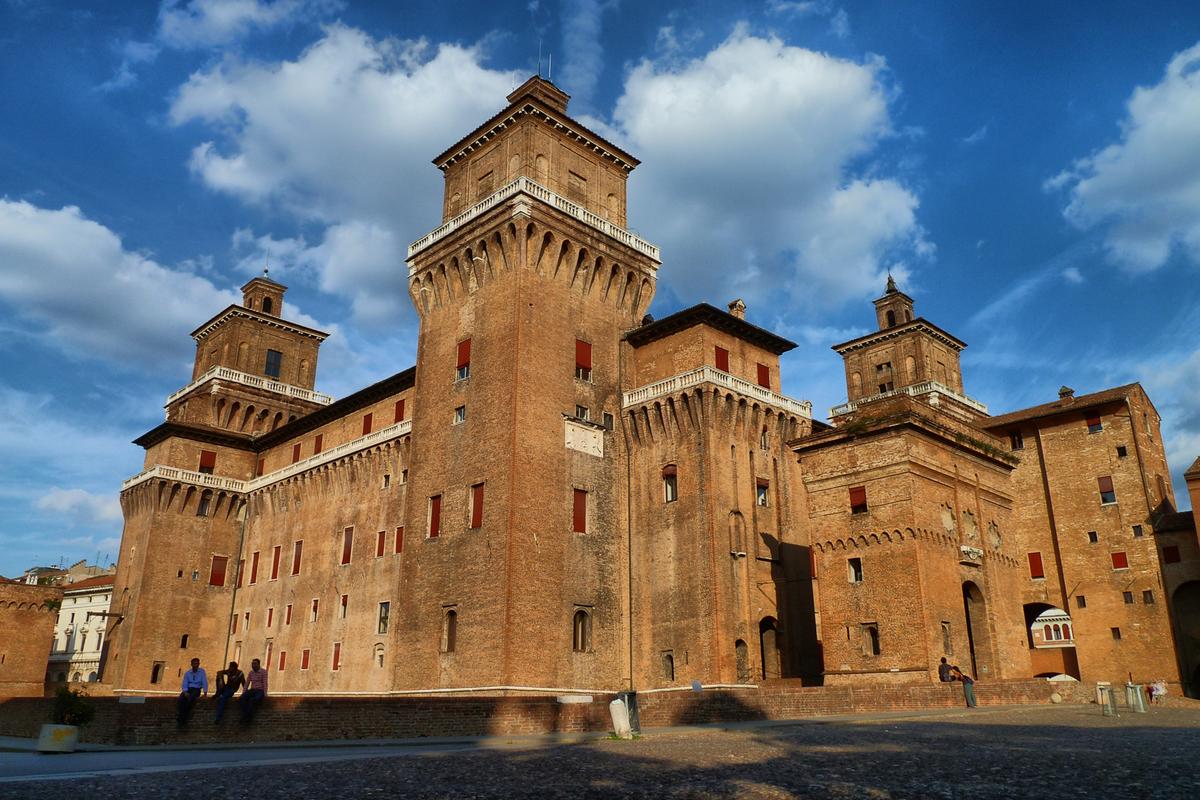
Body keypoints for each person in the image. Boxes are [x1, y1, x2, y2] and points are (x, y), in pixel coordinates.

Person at [176, 657, 208, 726]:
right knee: (181, 699)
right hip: (188, 689)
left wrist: (205, 693)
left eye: (197, 663)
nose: (195, 665)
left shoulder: (202, 672)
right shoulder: (187, 673)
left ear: (199, 664)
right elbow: (185, 683)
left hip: (196, 689)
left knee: (190, 699)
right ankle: (182, 717)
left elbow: (204, 681)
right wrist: (185, 691)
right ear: (191, 664)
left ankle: (182, 718)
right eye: (194, 663)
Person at [240, 657, 268, 724]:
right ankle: (246, 716)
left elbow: (265, 682)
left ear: (258, 664)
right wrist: (243, 693)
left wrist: (265, 693)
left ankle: (247, 717)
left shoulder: (263, 672)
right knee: (242, 699)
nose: (253, 665)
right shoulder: (251, 673)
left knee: (252, 700)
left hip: (260, 690)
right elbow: (247, 683)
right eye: (252, 664)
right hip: (252, 690)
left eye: (255, 664)